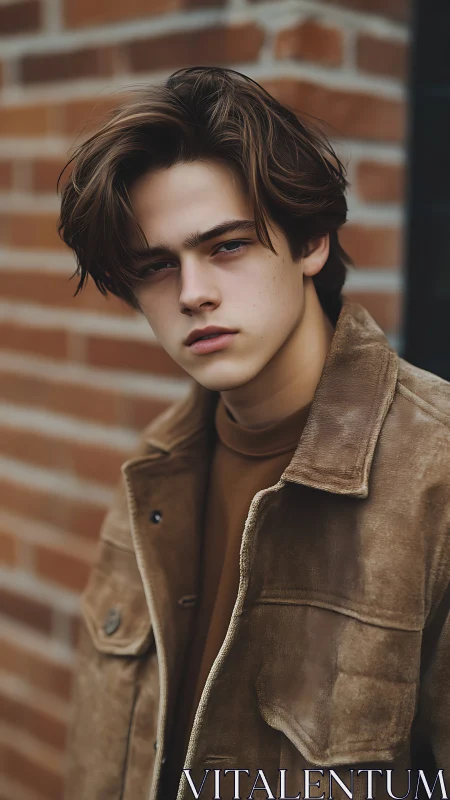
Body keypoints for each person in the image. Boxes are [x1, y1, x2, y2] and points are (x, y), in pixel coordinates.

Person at [58, 67, 450, 800]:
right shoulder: (153, 475)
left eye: (227, 245)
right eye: (155, 266)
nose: (192, 292)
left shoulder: (438, 475)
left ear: (310, 242)